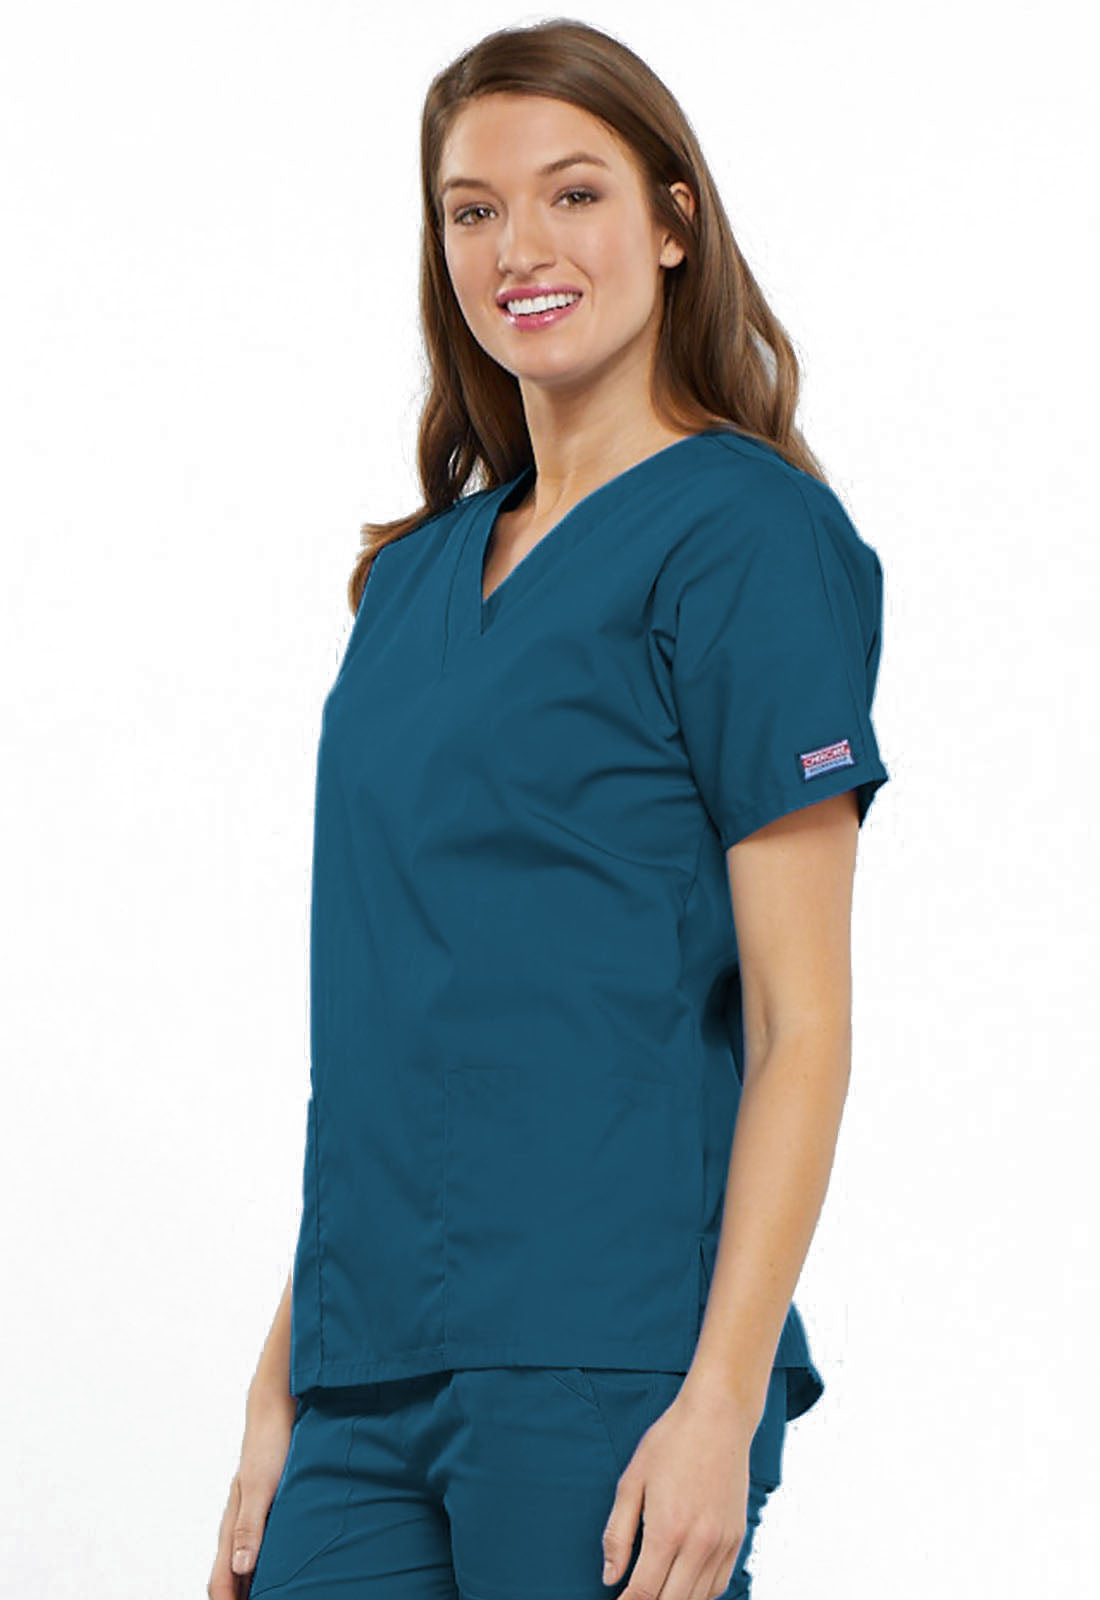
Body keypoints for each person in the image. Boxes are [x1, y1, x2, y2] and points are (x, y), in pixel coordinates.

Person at [209, 19, 890, 1600]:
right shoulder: (410, 583)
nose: (520, 247)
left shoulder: (746, 539)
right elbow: (397, 1021)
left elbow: (802, 1025)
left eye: (573, 194)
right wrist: (281, 1381)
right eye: (474, 209)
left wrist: (718, 1402)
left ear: (673, 221)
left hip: (610, 1354)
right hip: (366, 1365)